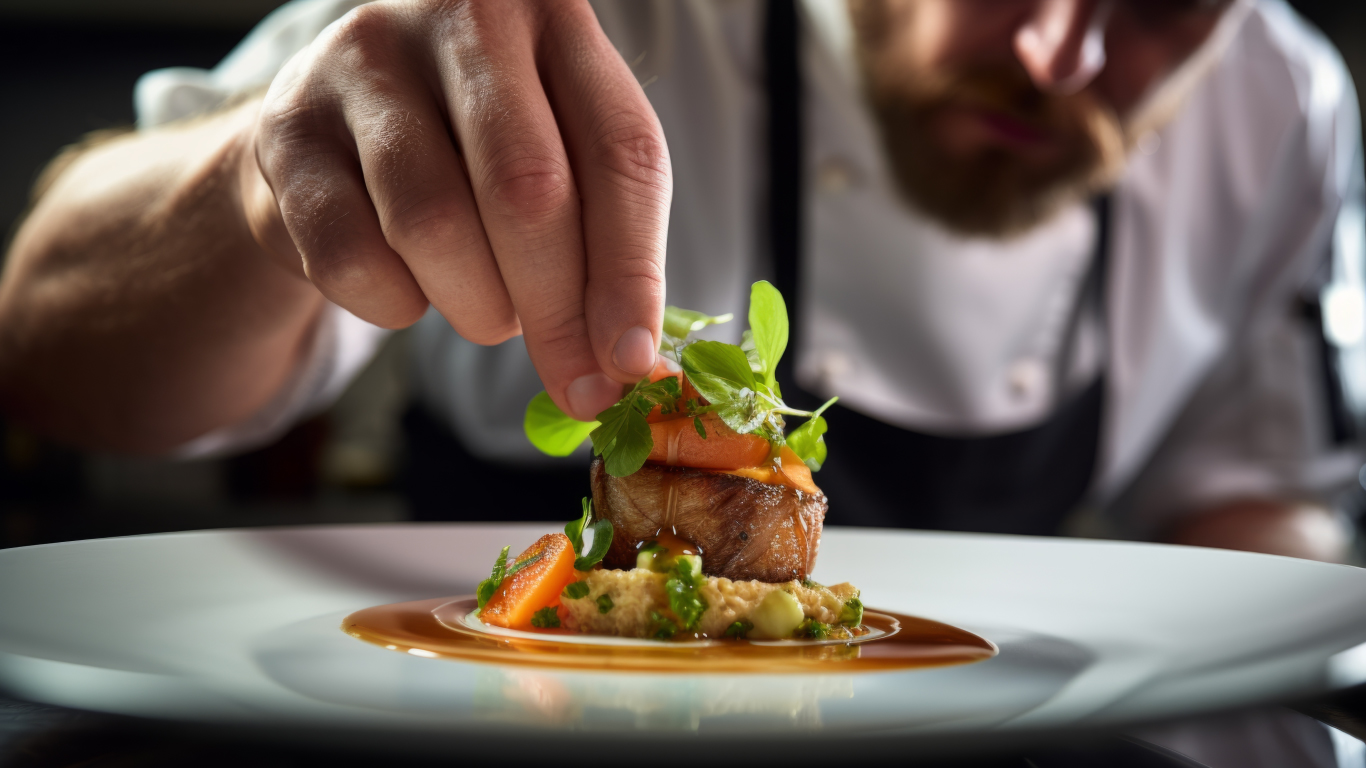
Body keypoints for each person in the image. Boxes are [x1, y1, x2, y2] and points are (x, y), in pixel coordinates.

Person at [0, 2, 1360, 761]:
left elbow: (1252, 507)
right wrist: (249, 181)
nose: (1053, 57)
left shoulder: (1284, 109)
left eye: (1161, 11)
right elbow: (47, 349)